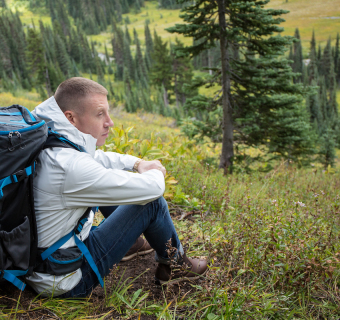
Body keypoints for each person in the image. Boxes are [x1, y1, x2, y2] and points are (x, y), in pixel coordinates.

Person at [26, 77, 207, 297]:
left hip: (45, 258)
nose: (109, 122)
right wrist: (155, 172)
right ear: (71, 118)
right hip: (65, 281)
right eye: (100, 114)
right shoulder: (71, 168)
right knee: (152, 203)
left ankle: (130, 244)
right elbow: (152, 190)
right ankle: (176, 265)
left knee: (105, 183)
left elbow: (93, 159)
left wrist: (137, 163)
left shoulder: (47, 135)